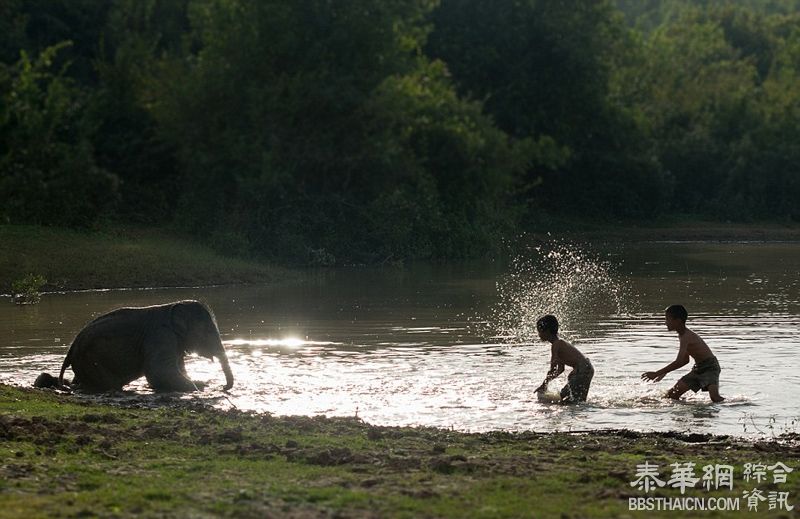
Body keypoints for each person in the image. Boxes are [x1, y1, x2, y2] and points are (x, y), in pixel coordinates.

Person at [641, 305, 724, 403]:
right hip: (698, 368)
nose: (665, 322)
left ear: (678, 320)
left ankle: (740, 404)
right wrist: (665, 372)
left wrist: (657, 373)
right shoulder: (682, 336)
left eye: (668, 319)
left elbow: (679, 361)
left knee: (715, 398)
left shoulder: (686, 336)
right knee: (672, 395)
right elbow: (685, 360)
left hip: (710, 367)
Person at [534, 315, 594, 403]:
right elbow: (561, 369)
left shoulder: (556, 345)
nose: (538, 334)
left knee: (569, 401)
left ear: (546, 331)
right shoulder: (559, 343)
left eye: (539, 331)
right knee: (572, 399)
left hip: (582, 370)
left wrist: (544, 385)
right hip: (586, 368)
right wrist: (546, 383)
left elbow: (553, 369)